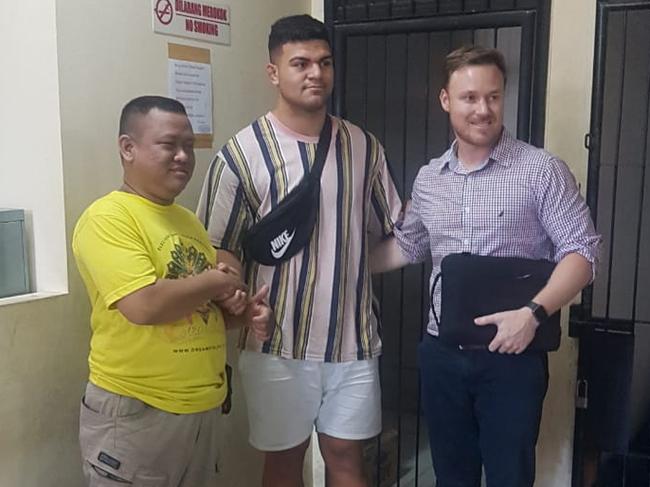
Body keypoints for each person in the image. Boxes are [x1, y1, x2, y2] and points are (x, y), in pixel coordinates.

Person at [371, 46, 600, 487]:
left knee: (509, 477)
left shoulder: (541, 170)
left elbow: (583, 254)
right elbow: (407, 246)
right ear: (445, 100)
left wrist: (532, 315)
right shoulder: (429, 178)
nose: (482, 109)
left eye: (493, 97)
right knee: (451, 478)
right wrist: (338, 261)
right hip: (441, 356)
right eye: (469, 98)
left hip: (513, 359)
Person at [196, 15, 403, 487]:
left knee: (347, 459)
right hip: (276, 344)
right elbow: (218, 246)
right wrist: (238, 299)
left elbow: (393, 230)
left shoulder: (363, 147)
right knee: (284, 463)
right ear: (274, 72)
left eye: (325, 62)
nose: (316, 73)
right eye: (301, 63)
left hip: (353, 340)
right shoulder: (241, 154)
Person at [72, 95, 272, 487]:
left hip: (202, 411)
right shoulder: (108, 217)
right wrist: (216, 281)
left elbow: (195, 311)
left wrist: (240, 314)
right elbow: (144, 305)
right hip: (139, 413)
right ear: (127, 148)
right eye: (169, 145)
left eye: (189, 146)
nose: (183, 156)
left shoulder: (187, 221)